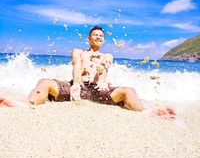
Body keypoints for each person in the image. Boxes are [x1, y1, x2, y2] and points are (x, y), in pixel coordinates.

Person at [0, 26, 176, 120]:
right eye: (95, 35)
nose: (99, 37)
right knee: (45, 82)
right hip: (77, 88)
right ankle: (27, 105)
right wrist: (76, 83)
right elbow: (76, 64)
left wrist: (103, 80)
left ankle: (144, 112)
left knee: (128, 91)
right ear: (89, 38)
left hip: (100, 91)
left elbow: (105, 67)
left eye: (101, 35)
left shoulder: (108, 55)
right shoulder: (79, 52)